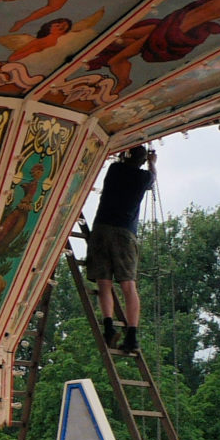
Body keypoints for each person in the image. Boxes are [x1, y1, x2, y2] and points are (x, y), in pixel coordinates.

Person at [83, 144, 155, 351]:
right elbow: (152, 177)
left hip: (101, 228)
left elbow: (122, 162)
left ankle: (108, 327)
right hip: (125, 233)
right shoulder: (143, 178)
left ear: (124, 156)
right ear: (142, 161)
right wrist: (152, 162)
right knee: (128, 285)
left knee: (103, 282)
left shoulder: (114, 170)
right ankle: (132, 335)